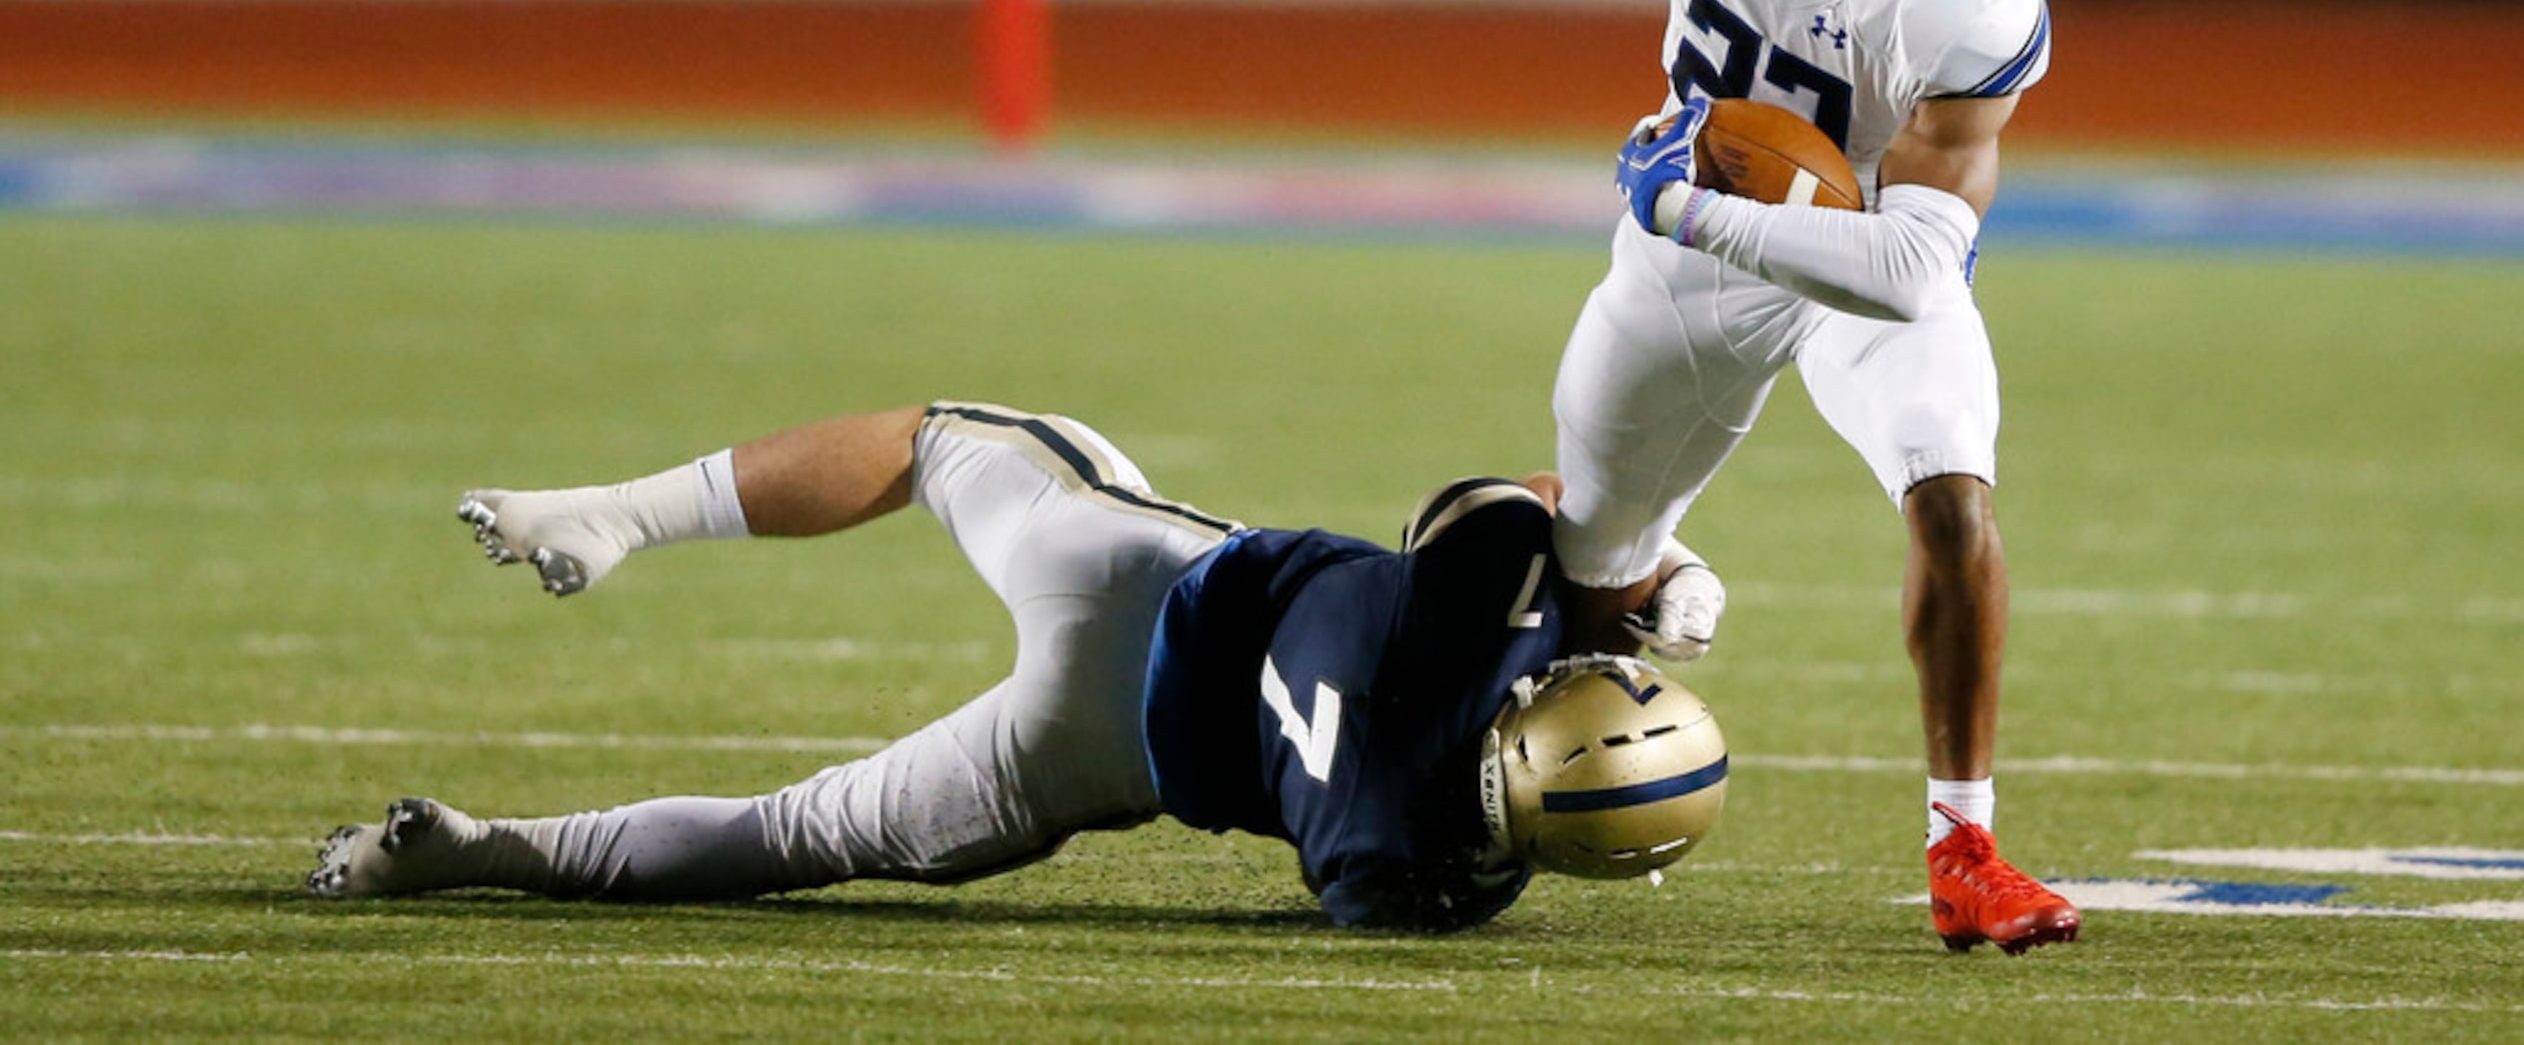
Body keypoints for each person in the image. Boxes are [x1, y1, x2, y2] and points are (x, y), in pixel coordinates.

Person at [1124, 0, 2079, 954]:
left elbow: (1917, 266)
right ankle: (1474, 771)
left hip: (1842, 256)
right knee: (1591, 588)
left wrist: (1694, 201)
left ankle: (1965, 846)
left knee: (1951, 496)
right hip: (1684, 268)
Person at [306, 398, 1728, 930]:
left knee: (932, 439)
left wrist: (1641, 582)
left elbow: (1526, 504)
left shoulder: (1474, 629)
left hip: (1126, 570)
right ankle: (486, 854)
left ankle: (619, 512)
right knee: (797, 837)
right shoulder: (1412, 874)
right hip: (1097, 758)